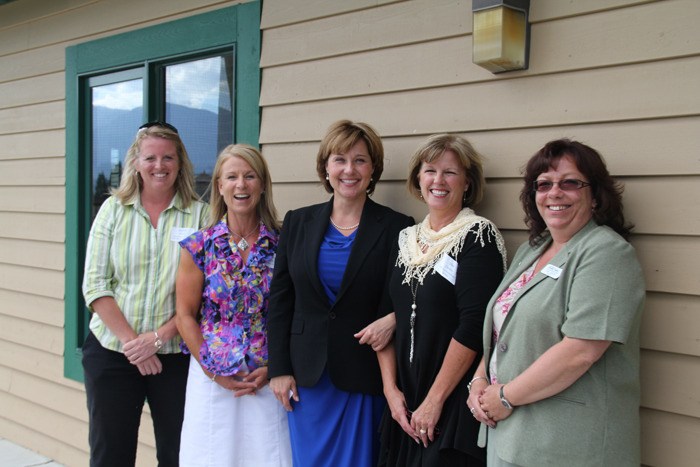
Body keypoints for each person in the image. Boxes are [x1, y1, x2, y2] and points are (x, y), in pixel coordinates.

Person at [467, 139, 646, 466]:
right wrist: (478, 381)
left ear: (595, 196)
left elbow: (580, 350)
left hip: (568, 444)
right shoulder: (532, 250)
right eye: (544, 184)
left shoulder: (606, 253)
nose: (554, 193)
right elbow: (501, 330)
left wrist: (505, 396)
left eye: (570, 183)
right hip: (512, 435)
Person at [267, 120, 414, 467]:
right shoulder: (297, 222)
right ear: (326, 167)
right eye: (340, 160)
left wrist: (392, 320)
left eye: (360, 160)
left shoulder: (397, 227)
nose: (350, 170)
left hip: (362, 375)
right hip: (307, 379)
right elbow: (280, 301)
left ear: (373, 168)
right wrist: (279, 369)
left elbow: (407, 296)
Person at [81, 121, 208, 467]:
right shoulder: (112, 210)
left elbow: (207, 292)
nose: (159, 166)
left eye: (168, 157)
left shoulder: (201, 215)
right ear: (136, 162)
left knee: (178, 453)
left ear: (180, 162)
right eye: (150, 157)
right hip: (112, 352)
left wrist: (157, 338)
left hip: (176, 355)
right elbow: (95, 285)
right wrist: (135, 345)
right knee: (111, 454)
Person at [377, 134, 506, 467]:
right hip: (405, 401)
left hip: (449, 402)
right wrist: (391, 392)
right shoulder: (405, 239)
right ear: (418, 179)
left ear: (467, 182)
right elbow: (385, 317)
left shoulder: (477, 235)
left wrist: (435, 400)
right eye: (430, 170)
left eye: (450, 172)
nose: (438, 180)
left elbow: (475, 323)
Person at [175, 144, 291, 466]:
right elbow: (184, 316)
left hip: (266, 378)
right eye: (232, 177)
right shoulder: (199, 246)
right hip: (213, 380)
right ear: (220, 186)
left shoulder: (283, 244)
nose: (241, 185)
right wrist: (214, 372)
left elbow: (292, 313)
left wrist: (275, 368)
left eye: (249, 176)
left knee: (268, 456)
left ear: (263, 184)